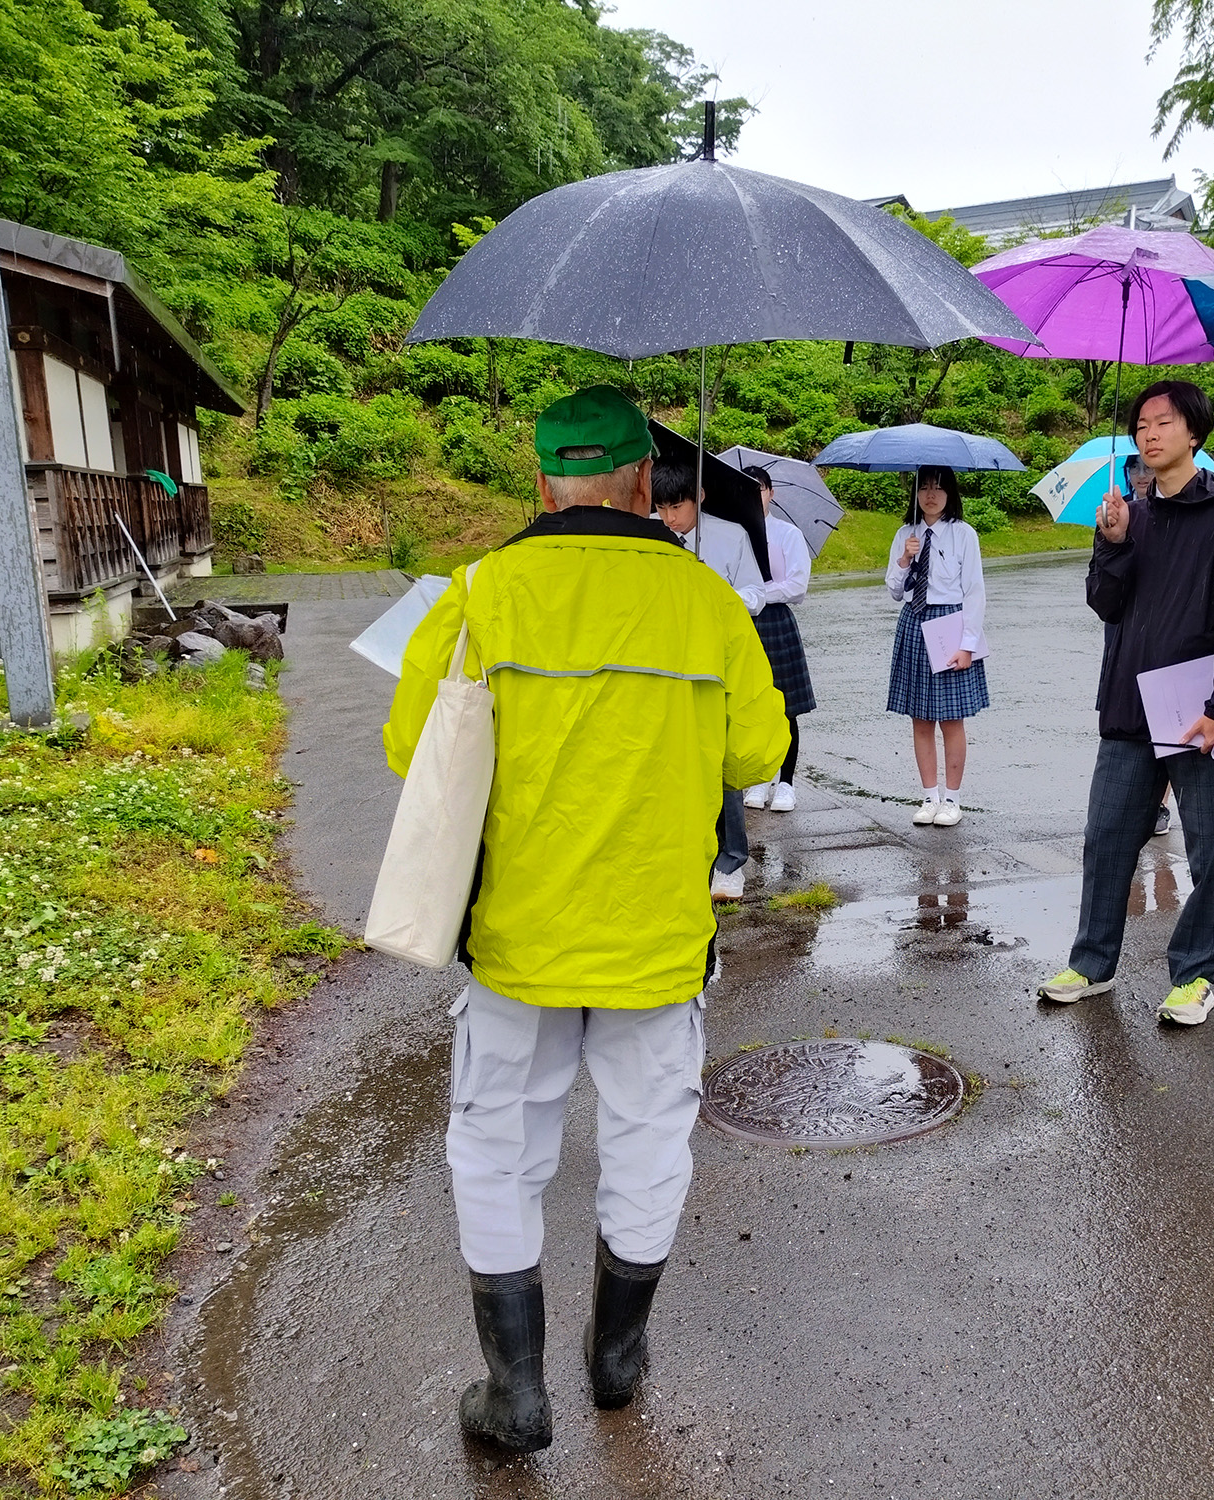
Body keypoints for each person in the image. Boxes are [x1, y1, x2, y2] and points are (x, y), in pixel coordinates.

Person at [382, 386, 787, 1451]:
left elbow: (405, 751)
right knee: (648, 1139)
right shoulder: (702, 602)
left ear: (542, 478)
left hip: (519, 938)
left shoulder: (481, 590)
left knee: (497, 1147)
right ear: (638, 481)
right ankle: (616, 1360)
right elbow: (756, 754)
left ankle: (512, 1391)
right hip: (655, 938)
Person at [1036, 381, 1214, 1019]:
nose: (1150, 433)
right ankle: (1091, 962)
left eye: (1164, 422)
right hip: (1131, 703)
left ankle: (1195, 975)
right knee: (1107, 836)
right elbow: (1105, 605)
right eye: (1141, 425)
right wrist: (1112, 543)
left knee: (1211, 843)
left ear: (1195, 433)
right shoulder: (1128, 512)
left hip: (1199, 706)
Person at [652, 452, 768, 901]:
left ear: (698, 497)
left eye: (677, 507)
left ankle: (730, 862)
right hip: (666, 662)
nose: (669, 517)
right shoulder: (649, 535)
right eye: (660, 508)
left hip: (717, 665)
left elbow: (757, 593)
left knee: (723, 761)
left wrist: (717, 598)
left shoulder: (730, 536)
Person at [884, 466, 989, 826]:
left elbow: (974, 592)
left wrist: (968, 645)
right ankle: (930, 796)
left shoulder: (964, 535)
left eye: (938, 488)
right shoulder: (905, 534)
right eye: (924, 488)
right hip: (914, 622)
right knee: (921, 717)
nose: (930, 495)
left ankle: (953, 800)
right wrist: (904, 560)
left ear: (950, 494)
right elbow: (895, 591)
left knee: (952, 718)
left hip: (949, 625)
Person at [738, 464, 815, 813]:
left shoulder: (787, 534)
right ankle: (757, 778)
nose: (755, 496)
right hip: (742, 621)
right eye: (747, 490)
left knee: (786, 706)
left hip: (774, 619)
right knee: (749, 704)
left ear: (771, 493)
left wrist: (758, 593)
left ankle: (786, 782)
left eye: (760, 489)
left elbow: (797, 587)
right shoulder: (735, 533)